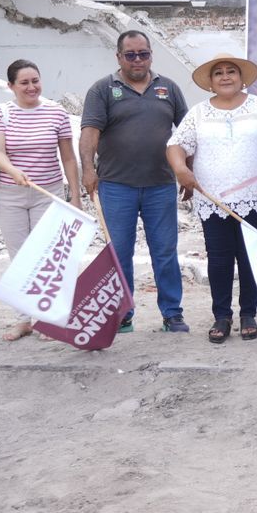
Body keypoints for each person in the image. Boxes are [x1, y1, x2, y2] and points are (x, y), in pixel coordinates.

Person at [167, 54, 257, 343]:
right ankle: (222, 316)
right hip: (212, 198)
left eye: (231, 71)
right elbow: (176, 145)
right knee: (219, 258)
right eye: (218, 73)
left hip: (253, 196)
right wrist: (181, 170)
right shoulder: (198, 113)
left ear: (241, 78)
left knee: (249, 256)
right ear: (211, 82)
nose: (225, 77)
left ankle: (248, 314)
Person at [81, 30, 189, 333]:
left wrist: (186, 171)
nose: (137, 59)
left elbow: (186, 133)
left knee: (165, 252)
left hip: (161, 185)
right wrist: (87, 169)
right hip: (116, 186)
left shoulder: (169, 88)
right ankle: (122, 313)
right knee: (119, 252)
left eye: (143, 54)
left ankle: (172, 313)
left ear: (151, 55)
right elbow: (89, 132)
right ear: (119, 57)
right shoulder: (102, 89)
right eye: (130, 55)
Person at [0, 59, 84, 342]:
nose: (31, 87)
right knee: (20, 258)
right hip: (9, 195)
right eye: (24, 83)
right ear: (11, 86)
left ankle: (46, 319)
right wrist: (13, 171)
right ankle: (23, 319)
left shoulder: (56, 112)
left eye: (35, 81)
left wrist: (75, 195)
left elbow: (68, 157)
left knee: (48, 256)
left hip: (48, 193)